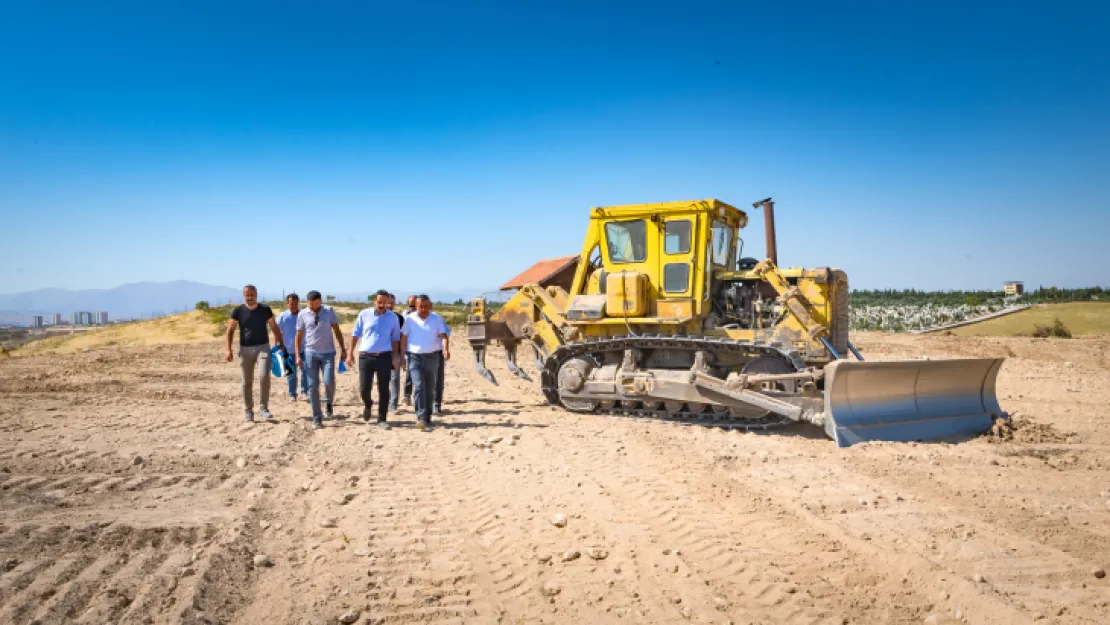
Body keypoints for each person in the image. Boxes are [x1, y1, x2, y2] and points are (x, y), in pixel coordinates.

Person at [225, 284, 286, 423]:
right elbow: (230, 331)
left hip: (263, 347)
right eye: (247, 295)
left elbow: (274, 327)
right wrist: (228, 349)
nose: (250, 297)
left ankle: (264, 408)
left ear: (256, 294)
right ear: (244, 295)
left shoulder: (265, 309)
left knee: (264, 375)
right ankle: (248, 411)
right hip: (245, 349)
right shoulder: (238, 311)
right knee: (246, 382)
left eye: (252, 295)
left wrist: (281, 344)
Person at [347, 290, 401, 429]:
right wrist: (349, 353)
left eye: (385, 302)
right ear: (374, 301)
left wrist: (395, 357)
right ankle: (368, 404)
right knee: (364, 388)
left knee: (384, 389)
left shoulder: (393, 318)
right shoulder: (364, 314)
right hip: (366, 356)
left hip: (384, 356)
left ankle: (382, 418)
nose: (382, 305)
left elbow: (395, 339)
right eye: (379, 302)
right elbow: (355, 334)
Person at [295, 290, 347, 429]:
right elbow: (299, 336)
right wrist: (298, 355)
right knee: (312, 386)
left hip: (328, 353)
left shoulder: (329, 311)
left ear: (321, 301)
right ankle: (317, 417)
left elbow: (336, 330)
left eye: (317, 303)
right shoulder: (302, 314)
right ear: (307, 302)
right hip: (310, 353)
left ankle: (328, 402)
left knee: (328, 381)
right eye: (311, 304)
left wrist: (343, 348)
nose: (314, 307)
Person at [400, 294, 450, 431]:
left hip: (432, 357)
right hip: (414, 357)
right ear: (416, 306)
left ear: (431, 306)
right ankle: (421, 417)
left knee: (430, 387)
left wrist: (445, 349)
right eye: (421, 306)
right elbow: (403, 338)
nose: (423, 309)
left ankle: (427, 417)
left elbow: (443, 336)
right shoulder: (409, 319)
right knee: (419, 385)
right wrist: (402, 356)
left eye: (426, 306)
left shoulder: (437, 319)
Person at [275, 293, 307, 402]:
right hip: (288, 350)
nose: (294, 306)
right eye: (291, 304)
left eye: (296, 304)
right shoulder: (282, 317)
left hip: (304, 349)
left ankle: (304, 392)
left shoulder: (304, 314)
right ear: (287, 303)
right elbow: (277, 332)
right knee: (291, 374)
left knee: (306, 371)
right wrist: (278, 346)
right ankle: (292, 394)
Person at [387, 293, 406, 413]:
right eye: (388, 302)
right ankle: (385, 401)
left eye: (392, 303)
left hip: (396, 353)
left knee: (395, 379)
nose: (389, 305)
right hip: (381, 353)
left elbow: (402, 337)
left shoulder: (399, 318)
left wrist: (403, 355)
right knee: (383, 379)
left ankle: (393, 404)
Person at [402, 294, 419, 404]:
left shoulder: (423, 314)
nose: (412, 308)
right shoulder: (405, 314)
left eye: (414, 305)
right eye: (410, 305)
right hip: (409, 347)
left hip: (420, 346)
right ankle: (407, 395)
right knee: (409, 371)